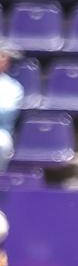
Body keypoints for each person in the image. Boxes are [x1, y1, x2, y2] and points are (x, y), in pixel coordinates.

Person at [0, 44, 24, 172]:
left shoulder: (13, 87)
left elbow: (7, 113)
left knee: (2, 144)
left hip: (1, 130)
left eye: (3, 57)